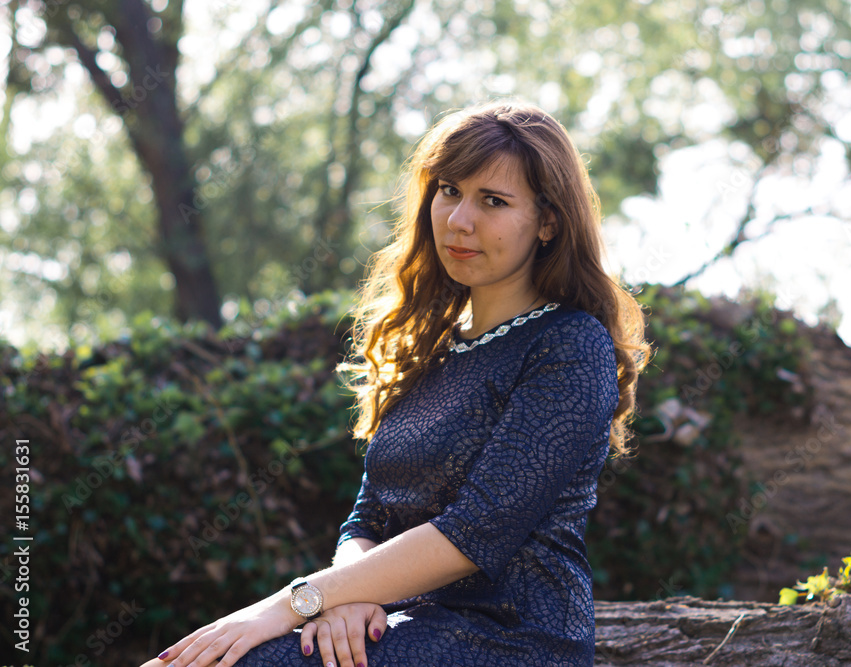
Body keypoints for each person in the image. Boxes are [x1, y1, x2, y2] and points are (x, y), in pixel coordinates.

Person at [141, 100, 650, 667]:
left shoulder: (570, 345)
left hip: (511, 640)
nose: (459, 220)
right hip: (399, 626)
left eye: (494, 201)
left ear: (549, 222)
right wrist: (347, 600)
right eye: (449, 191)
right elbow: (369, 516)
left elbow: (474, 532)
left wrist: (294, 604)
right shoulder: (430, 347)